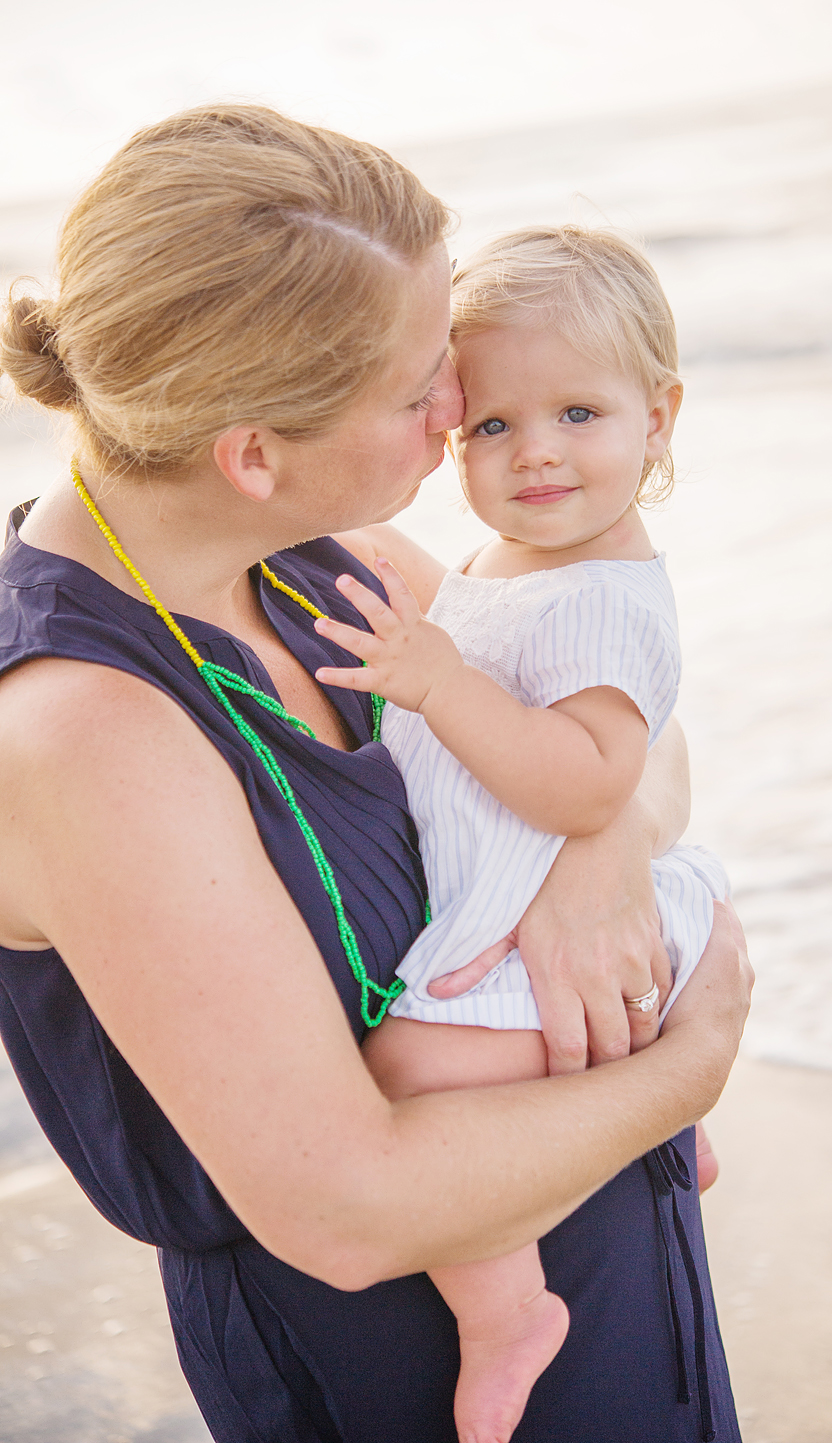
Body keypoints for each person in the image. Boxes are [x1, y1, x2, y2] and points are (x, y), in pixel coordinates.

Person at [0, 105, 752, 1443]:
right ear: (251, 450)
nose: (463, 412)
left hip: (598, 1244)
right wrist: (687, 1066)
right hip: (398, 1370)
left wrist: (596, 851)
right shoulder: (80, 731)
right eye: (422, 392)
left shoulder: (307, 553)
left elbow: (641, 741)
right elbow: (342, 1205)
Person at [313, 226, 730, 1443]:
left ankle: (507, 1312)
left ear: (660, 415)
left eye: (579, 414)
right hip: (529, 877)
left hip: (548, 886)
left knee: (413, 1078)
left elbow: (598, 780)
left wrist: (439, 684)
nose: (535, 451)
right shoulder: (526, 557)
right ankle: (668, 1123)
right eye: (492, 426)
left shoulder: (600, 592)